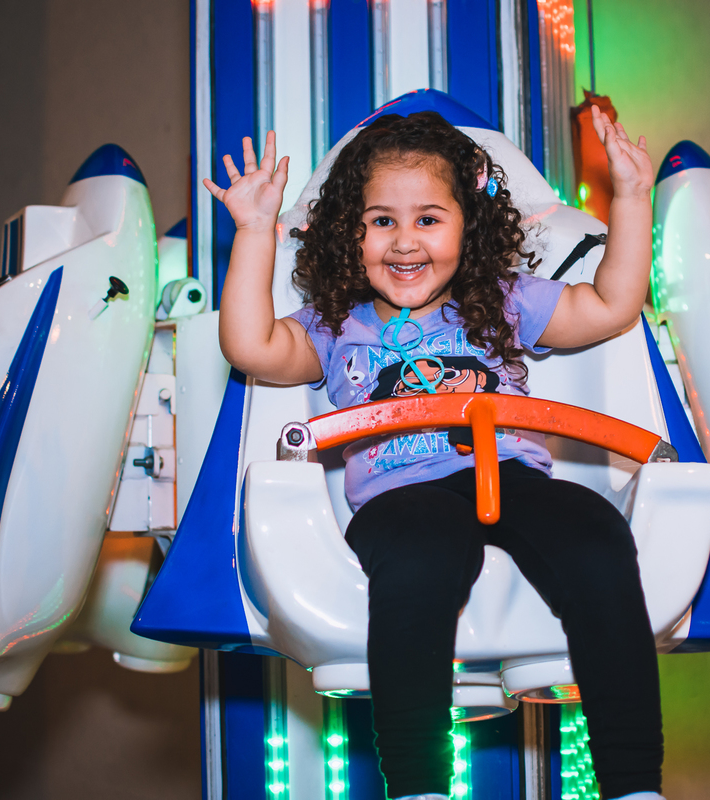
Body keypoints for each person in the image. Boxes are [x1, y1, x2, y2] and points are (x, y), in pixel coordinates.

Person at [205, 106, 664, 800]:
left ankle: (632, 785)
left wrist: (631, 198)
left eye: (428, 218)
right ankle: (419, 786)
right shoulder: (336, 324)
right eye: (381, 220)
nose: (403, 241)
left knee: (597, 536)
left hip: (510, 475)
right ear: (349, 234)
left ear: (467, 228)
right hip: (401, 493)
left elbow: (610, 305)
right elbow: (250, 347)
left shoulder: (504, 300)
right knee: (426, 551)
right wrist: (252, 234)